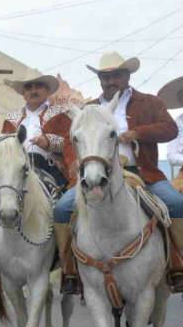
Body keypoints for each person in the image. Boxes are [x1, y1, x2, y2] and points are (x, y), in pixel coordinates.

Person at [53, 51, 183, 294]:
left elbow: (170, 129)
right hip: (96, 172)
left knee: (176, 203)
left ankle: (177, 266)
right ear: (100, 79)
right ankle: (70, 271)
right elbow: (71, 140)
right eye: (105, 76)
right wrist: (74, 165)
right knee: (61, 209)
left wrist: (138, 133)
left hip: (142, 172)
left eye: (117, 75)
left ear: (128, 76)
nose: (111, 81)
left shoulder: (150, 102)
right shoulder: (89, 109)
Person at [0, 74, 73, 217]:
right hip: (14, 169)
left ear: (47, 90)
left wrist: (48, 142)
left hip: (48, 167)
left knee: (63, 206)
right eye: (29, 87)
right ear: (23, 94)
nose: (33, 90)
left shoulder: (60, 114)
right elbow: (2, 148)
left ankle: (65, 238)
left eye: (38, 86)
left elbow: (70, 143)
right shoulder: (11, 118)